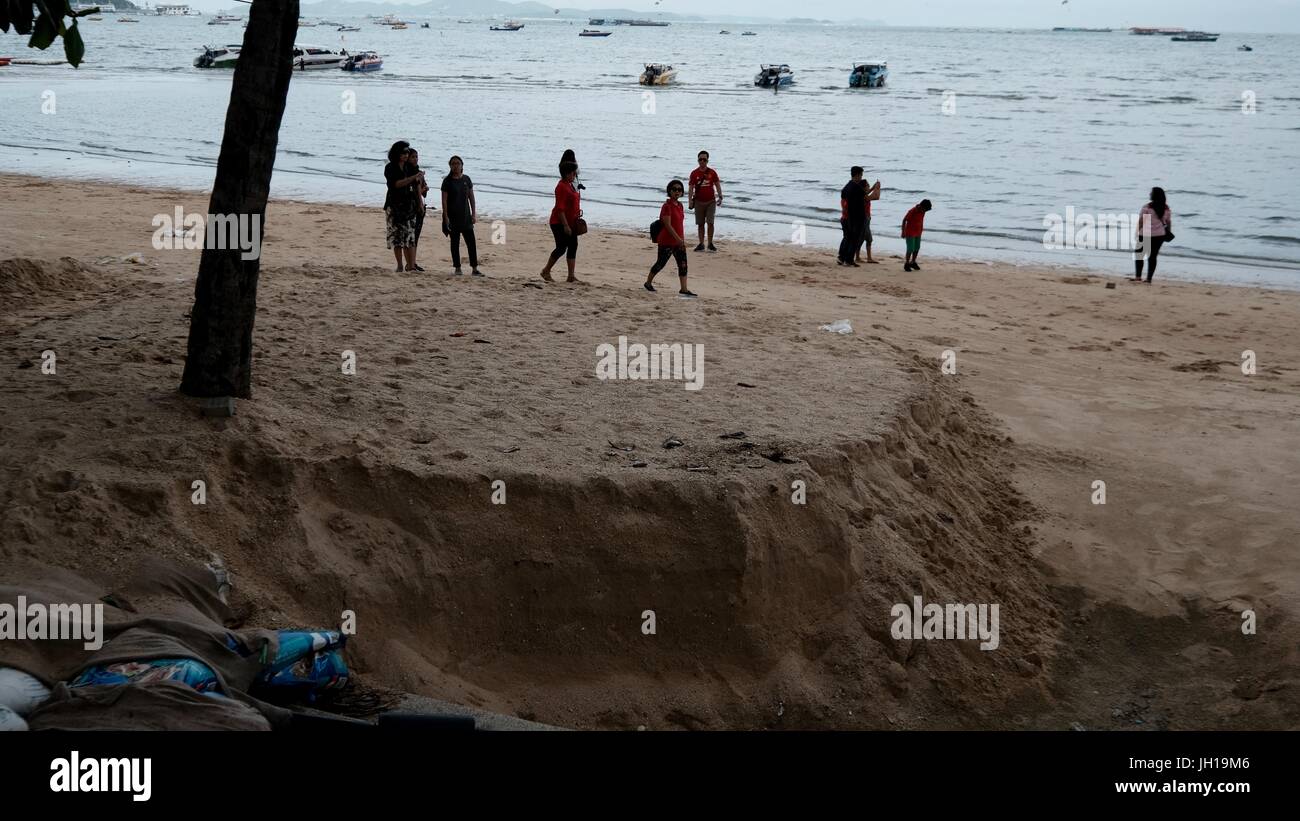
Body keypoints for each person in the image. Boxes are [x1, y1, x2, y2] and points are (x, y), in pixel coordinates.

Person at [644, 179, 696, 298]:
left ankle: (684, 289)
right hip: (667, 241)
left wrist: (681, 239)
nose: (677, 192)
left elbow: (679, 224)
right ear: (669, 191)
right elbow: (667, 225)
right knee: (661, 263)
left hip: (679, 241)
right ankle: (648, 283)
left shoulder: (680, 205)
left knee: (683, 264)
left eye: (679, 190)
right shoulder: (666, 206)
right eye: (674, 189)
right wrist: (677, 238)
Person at [384, 141, 424, 272]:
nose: (406, 155)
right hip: (394, 204)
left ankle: (411, 266)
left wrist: (420, 203)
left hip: (408, 205)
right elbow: (395, 184)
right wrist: (413, 178)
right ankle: (400, 265)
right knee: (396, 236)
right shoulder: (390, 167)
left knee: (410, 236)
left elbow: (417, 185)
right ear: (396, 153)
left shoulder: (409, 167)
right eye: (403, 152)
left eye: (407, 152)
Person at [540, 160, 582, 283]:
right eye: (573, 173)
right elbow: (560, 209)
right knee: (561, 247)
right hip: (559, 223)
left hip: (572, 221)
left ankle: (571, 276)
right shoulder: (561, 187)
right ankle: (546, 271)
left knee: (573, 246)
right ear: (567, 174)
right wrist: (565, 226)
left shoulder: (569, 184)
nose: (575, 176)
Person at [441, 155, 482, 276]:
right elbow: (444, 201)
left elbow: (471, 198)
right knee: (455, 243)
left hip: (466, 216)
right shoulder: (447, 181)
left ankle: (474, 268)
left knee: (471, 243)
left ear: (462, 165)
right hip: (453, 217)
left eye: (458, 163)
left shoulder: (466, 179)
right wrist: (445, 217)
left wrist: (474, 214)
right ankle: (457, 268)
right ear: (450, 166)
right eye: (453, 164)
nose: (455, 166)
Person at [1135, 187, 1172, 284]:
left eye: (1151, 193)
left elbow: (1142, 221)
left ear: (1154, 195)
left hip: (1145, 234)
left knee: (1139, 255)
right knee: (1153, 256)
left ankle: (1138, 277)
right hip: (1160, 235)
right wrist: (1168, 232)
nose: (1149, 194)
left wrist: (1137, 232)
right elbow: (1168, 222)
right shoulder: (1166, 208)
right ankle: (1149, 279)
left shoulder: (1147, 207)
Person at [688, 150, 722, 252]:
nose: (702, 161)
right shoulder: (694, 173)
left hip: (711, 201)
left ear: (707, 160)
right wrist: (690, 200)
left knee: (710, 223)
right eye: (700, 159)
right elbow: (690, 188)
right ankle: (701, 243)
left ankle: (710, 243)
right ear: (698, 160)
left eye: (704, 159)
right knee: (700, 224)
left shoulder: (712, 172)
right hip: (698, 202)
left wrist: (720, 196)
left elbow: (717, 184)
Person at [837, 167, 866, 267]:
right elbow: (869, 197)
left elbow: (845, 202)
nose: (861, 177)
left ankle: (842, 257)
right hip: (855, 217)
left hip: (847, 216)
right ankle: (848, 259)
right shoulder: (856, 188)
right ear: (857, 175)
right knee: (854, 238)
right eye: (861, 175)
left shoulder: (847, 187)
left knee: (847, 237)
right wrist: (876, 189)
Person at [408, 148, 429, 272]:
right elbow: (412, 193)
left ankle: (413, 262)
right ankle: (410, 263)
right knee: (411, 236)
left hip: (420, 206)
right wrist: (421, 190)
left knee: (416, 236)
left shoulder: (419, 172)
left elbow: (423, 193)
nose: (415, 159)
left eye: (416, 157)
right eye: (413, 157)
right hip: (411, 207)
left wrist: (424, 189)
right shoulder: (408, 173)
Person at [855, 176, 882, 264]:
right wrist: (877, 188)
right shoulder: (864, 196)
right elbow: (876, 197)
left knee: (863, 238)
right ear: (863, 187)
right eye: (868, 185)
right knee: (866, 239)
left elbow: (868, 193)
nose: (868, 186)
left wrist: (873, 187)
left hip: (864, 218)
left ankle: (859, 257)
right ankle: (866, 258)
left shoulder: (861, 194)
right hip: (864, 219)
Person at [902, 199, 932, 271]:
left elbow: (920, 220)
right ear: (921, 207)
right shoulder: (912, 211)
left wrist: (921, 229)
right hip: (910, 232)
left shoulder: (923, 211)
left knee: (917, 248)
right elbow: (904, 220)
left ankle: (913, 262)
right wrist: (903, 232)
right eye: (925, 210)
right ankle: (907, 263)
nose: (925, 212)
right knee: (910, 249)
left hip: (918, 232)